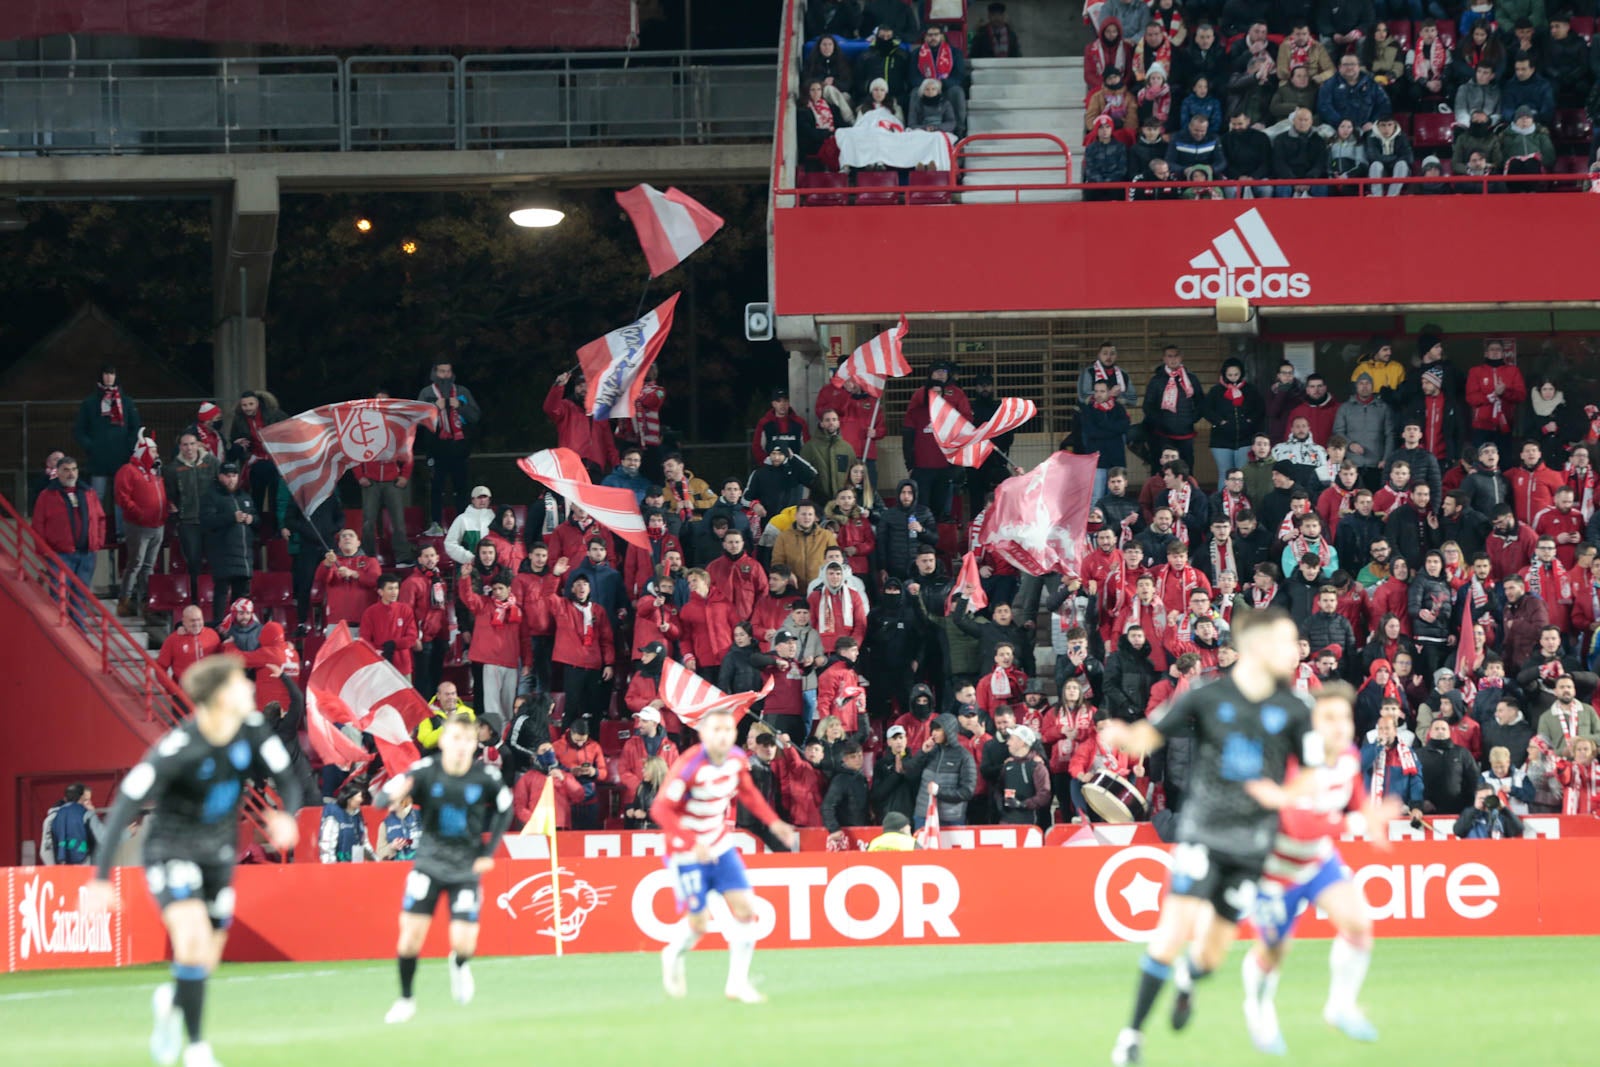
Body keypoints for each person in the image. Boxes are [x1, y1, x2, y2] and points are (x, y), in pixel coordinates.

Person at [1104, 608, 1314, 1067]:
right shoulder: (1205, 694)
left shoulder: (1297, 708)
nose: (1296, 651)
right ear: (1258, 648)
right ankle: (1131, 1037)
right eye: (1286, 643)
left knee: (1213, 953)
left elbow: (1315, 776)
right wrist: (1124, 735)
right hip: (1203, 830)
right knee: (1174, 929)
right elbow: (1151, 734)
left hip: (1253, 844)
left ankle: (1186, 980)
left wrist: (1282, 793)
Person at [83, 657, 302, 1067]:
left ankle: (171, 1002)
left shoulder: (253, 730)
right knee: (192, 940)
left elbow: (287, 776)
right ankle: (198, 1048)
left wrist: (288, 814)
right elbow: (126, 803)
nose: (249, 688)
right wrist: (98, 878)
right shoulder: (180, 747)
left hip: (217, 854)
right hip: (172, 849)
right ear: (220, 696)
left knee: (207, 957)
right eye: (240, 683)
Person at [1243, 682, 1396, 1054]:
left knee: (1359, 923)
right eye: (1328, 718)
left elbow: (1355, 791)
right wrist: (1355, 825)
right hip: (1275, 869)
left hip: (1317, 861)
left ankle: (1340, 1006)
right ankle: (1258, 1006)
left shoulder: (1346, 755)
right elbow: (1298, 824)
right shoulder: (1293, 762)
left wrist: (1367, 815)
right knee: (1274, 950)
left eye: (1343, 717)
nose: (1339, 725)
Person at [651, 707, 798, 1002]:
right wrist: (692, 843)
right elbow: (660, 809)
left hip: (719, 845)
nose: (722, 736)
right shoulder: (690, 764)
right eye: (715, 730)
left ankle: (737, 984)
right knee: (699, 924)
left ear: (734, 734)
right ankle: (672, 955)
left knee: (746, 910)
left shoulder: (736, 760)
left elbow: (748, 793)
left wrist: (774, 822)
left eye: (727, 730)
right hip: (686, 852)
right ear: (703, 734)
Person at [377, 712, 510, 1023]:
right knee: (410, 937)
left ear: (475, 743)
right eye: (456, 739)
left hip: (465, 868)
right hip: (429, 863)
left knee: (465, 943)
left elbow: (506, 809)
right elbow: (382, 799)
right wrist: (391, 793)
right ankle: (406, 999)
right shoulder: (425, 771)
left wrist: (488, 851)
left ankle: (460, 964)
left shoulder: (486, 778)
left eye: (468, 740)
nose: (462, 745)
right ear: (444, 741)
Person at [30, 455, 106, 617]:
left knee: (80, 596)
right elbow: (38, 524)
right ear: (57, 473)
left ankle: (78, 632)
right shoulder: (47, 495)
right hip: (60, 554)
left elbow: (100, 518)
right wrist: (43, 550)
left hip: (87, 553)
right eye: (66, 470)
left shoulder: (89, 493)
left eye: (73, 469)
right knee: (58, 595)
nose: (71, 474)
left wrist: (98, 542)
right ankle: (59, 632)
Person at [73, 364, 141, 536]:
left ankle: (121, 533)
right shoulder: (90, 403)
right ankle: (94, 532)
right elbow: (79, 430)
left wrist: (129, 447)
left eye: (112, 373)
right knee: (96, 497)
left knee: (121, 497)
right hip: (98, 459)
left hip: (121, 458)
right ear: (100, 376)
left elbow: (135, 428)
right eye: (106, 373)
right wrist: (91, 446)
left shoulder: (126, 402)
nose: (109, 377)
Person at [417, 361, 481, 536]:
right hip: (436, 449)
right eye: (441, 371)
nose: (444, 375)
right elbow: (417, 420)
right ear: (434, 373)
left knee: (461, 488)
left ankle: (462, 522)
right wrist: (433, 409)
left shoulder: (462, 392)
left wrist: (460, 406)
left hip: (459, 448)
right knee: (436, 488)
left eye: (447, 371)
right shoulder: (427, 393)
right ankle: (436, 524)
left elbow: (475, 416)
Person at [355, 399, 416, 565]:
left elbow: (408, 454)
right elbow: (354, 453)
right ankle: (369, 558)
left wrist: (404, 476)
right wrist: (360, 475)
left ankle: (402, 557)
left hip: (392, 482)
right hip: (371, 482)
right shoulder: (364, 429)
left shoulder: (397, 429)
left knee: (398, 522)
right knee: (368, 522)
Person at [114, 432, 167, 617]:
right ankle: (125, 600)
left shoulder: (154, 471)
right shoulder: (128, 471)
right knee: (135, 563)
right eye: (153, 451)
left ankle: (146, 600)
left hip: (157, 525)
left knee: (149, 566)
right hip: (139, 525)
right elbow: (122, 497)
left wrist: (165, 512)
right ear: (144, 451)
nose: (157, 455)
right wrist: (139, 513)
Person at [164, 432, 219, 605]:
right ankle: (195, 599)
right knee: (193, 561)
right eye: (185, 445)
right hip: (188, 522)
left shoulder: (212, 463)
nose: (189, 448)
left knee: (215, 560)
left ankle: (215, 597)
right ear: (180, 447)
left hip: (211, 521)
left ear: (199, 445)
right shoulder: (172, 469)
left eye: (192, 444)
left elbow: (221, 487)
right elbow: (170, 495)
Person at [199, 463, 256, 626]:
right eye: (227, 476)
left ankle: (241, 627)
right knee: (221, 594)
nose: (231, 479)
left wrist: (252, 519)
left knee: (242, 598)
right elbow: (207, 522)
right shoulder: (210, 496)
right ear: (220, 476)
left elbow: (257, 519)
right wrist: (231, 517)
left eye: (234, 476)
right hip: (222, 554)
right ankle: (219, 627)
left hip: (244, 557)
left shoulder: (245, 497)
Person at [1143, 344, 1204, 469]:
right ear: (1164, 359)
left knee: (1186, 469)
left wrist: (1192, 418)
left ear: (1181, 358)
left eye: (1176, 356)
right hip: (1163, 434)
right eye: (1169, 356)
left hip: (1186, 432)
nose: (1173, 359)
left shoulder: (1191, 379)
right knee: (1164, 470)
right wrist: (1160, 421)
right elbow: (1147, 406)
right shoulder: (1157, 380)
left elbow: (1201, 402)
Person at [40, 783, 105, 866]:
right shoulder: (87, 815)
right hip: (83, 870)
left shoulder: (52, 818)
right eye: (85, 800)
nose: (90, 803)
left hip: (61, 870)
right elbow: (104, 838)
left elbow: (46, 850)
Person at [157, 605, 220, 681]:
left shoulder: (212, 635)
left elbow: (222, 660)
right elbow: (160, 667)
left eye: (199, 619)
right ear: (184, 621)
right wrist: (171, 689)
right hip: (183, 689)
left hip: (209, 688)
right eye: (192, 620)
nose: (196, 624)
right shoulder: (172, 639)